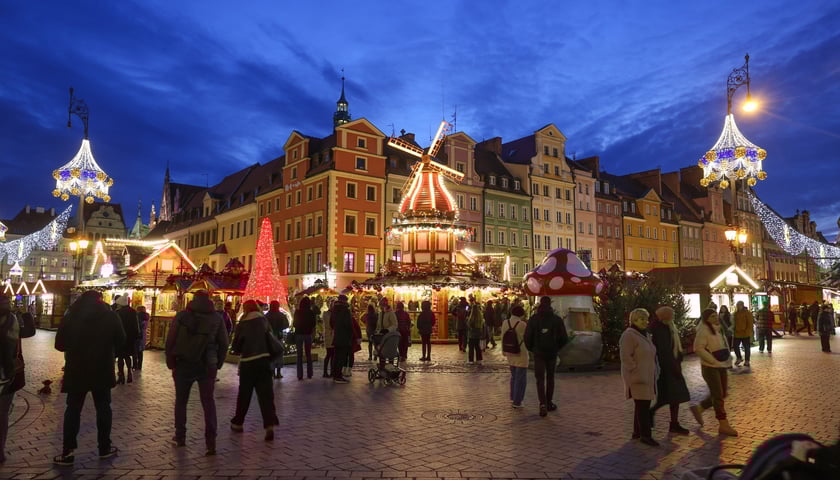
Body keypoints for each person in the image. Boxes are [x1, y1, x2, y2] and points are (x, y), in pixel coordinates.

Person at [54, 290, 125, 465]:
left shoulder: (71, 315)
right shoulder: (110, 316)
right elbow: (121, 341)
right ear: (100, 300)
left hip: (77, 369)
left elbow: (59, 344)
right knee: (103, 408)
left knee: (73, 410)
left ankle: (68, 451)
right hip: (102, 368)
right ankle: (104, 448)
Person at [165, 290, 229, 455]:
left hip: (183, 363)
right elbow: (224, 343)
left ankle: (180, 437)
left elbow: (170, 339)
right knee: (208, 402)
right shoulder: (216, 318)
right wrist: (218, 362)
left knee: (181, 401)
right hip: (208, 364)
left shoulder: (181, 316)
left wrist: (170, 360)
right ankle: (211, 442)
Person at [229, 300, 278, 441]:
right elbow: (271, 337)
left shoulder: (243, 323)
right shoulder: (264, 320)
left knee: (244, 394)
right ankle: (269, 425)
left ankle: (238, 422)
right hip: (263, 361)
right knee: (266, 395)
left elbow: (236, 347)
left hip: (248, 363)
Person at [690, 308, 738, 437]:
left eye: (715, 315)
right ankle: (723, 424)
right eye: (712, 316)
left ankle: (699, 408)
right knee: (718, 395)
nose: (715, 318)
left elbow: (724, 345)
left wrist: (728, 358)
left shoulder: (719, 329)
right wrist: (712, 360)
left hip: (721, 364)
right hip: (710, 367)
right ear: (706, 319)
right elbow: (698, 348)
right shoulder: (703, 330)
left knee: (722, 393)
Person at [1, 295, 36, 464]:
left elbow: (28, 332)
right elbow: (29, 331)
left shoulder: (12, 321)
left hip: (7, 373)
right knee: (1, 414)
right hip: (7, 373)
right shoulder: (12, 321)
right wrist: (27, 314)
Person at [620, 308, 659, 446]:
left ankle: (637, 433)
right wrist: (635, 369)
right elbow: (625, 356)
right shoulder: (629, 335)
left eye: (646, 318)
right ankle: (646, 435)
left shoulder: (645, 335)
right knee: (643, 406)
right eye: (641, 319)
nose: (645, 321)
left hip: (647, 376)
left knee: (642, 405)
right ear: (634, 320)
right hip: (638, 377)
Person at [524, 296, 568, 417]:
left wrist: (532, 349)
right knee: (550, 377)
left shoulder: (534, 319)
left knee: (539, 379)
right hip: (552, 353)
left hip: (538, 353)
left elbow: (527, 337)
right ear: (550, 305)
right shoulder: (556, 320)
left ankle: (542, 403)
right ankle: (549, 402)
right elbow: (564, 338)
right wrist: (556, 348)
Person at [648, 306, 690, 435]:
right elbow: (664, 351)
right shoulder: (660, 329)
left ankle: (674, 423)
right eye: (671, 314)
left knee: (674, 398)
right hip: (667, 369)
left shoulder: (668, 326)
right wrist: (674, 367)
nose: (673, 317)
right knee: (669, 397)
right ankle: (651, 414)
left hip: (672, 366)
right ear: (665, 316)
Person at [502, 305, 528, 409]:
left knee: (514, 376)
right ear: (521, 314)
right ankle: (517, 402)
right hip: (520, 353)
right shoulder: (522, 324)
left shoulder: (505, 322)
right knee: (520, 378)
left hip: (509, 351)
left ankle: (513, 397)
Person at [114, 296, 140, 384]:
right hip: (130, 338)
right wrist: (136, 336)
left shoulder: (118, 312)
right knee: (128, 356)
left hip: (121, 337)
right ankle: (129, 372)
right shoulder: (133, 312)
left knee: (120, 357)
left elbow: (116, 326)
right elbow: (136, 325)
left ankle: (121, 375)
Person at [293, 296, 316, 380]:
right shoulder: (311, 312)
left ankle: (300, 375)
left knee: (299, 355)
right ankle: (309, 374)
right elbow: (314, 324)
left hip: (299, 334)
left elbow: (294, 324)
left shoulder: (297, 312)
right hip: (308, 334)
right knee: (308, 354)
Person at [332, 295, 353, 383]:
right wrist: (350, 335)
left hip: (336, 336)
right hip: (344, 337)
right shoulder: (346, 311)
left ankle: (335, 375)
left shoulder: (334, 310)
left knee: (336, 356)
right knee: (341, 357)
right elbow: (348, 325)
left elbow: (331, 322)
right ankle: (338, 376)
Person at [265, 301, 289, 379]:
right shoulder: (281, 315)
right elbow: (286, 324)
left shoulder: (267, 315)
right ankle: (278, 372)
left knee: (271, 354)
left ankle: (272, 372)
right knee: (279, 354)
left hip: (269, 337)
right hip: (279, 336)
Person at [732, 301, 753, 369]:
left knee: (746, 347)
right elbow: (733, 323)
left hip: (745, 333)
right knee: (735, 346)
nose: (738, 306)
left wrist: (748, 331)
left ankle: (747, 361)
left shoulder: (747, 313)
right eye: (737, 305)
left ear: (742, 305)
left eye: (739, 305)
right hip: (737, 333)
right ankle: (739, 358)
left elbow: (750, 323)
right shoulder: (735, 313)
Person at [466, 300, 484, 365]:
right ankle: (479, 359)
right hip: (478, 333)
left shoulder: (471, 317)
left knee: (471, 347)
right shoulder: (480, 317)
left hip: (472, 334)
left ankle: (471, 360)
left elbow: (469, 325)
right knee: (477, 347)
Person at [322, 299, 335, 378]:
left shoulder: (333, 314)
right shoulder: (326, 314)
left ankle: (332, 371)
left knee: (333, 355)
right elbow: (329, 324)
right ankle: (325, 372)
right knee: (329, 354)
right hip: (329, 336)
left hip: (333, 336)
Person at [134, 305, 149, 371]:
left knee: (135, 350)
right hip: (144, 334)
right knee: (140, 351)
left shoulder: (138, 316)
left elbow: (137, 326)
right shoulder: (146, 316)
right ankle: (140, 365)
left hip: (138, 334)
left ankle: (135, 365)